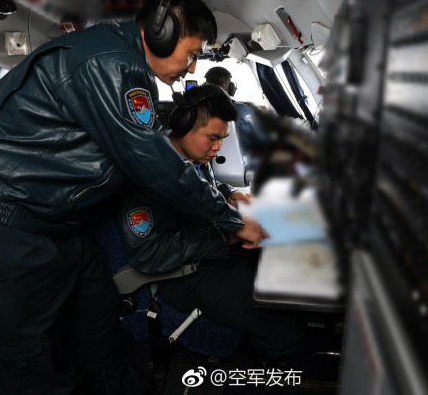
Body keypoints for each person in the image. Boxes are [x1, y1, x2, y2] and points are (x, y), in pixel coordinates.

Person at [0, 0, 266, 394]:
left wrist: (222, 200)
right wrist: (231, 221)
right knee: (24, 363)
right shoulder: (108, 63)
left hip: (62, 224)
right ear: (161, 32)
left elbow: (152, 156)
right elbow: (154, 162)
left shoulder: (126, 68)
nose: (193, 67)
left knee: (99, 332)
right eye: (192, 53)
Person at [116, 83, 305, 359]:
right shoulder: (147, 178)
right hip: (185, 276)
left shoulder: (193, 156)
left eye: (223, 139)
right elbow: (148, 254)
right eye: (213, 138)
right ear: (184, 126)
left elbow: (204, 190)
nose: (218, 148)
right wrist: (228, 235)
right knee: (287, 333)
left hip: (214, 255)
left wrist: (230, 194)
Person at [204, 66, 266, 162]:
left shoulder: (199, 111)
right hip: (244, 164)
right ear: (230, 87)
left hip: (209, 164)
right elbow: (262, 140)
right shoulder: (244, 111)